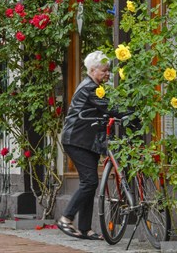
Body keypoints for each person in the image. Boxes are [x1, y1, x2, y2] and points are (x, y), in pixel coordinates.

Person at [57, 50, 115, 241]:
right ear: (92, 70)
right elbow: (109, 108)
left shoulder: (93, 85)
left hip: (85, 141)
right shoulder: (90, 88)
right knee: (89, 181)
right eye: (104, 70)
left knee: (90, 183)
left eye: (108, 70)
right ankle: (66, 218)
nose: (107, 74)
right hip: (76, 140)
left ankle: (85, 229)